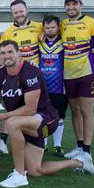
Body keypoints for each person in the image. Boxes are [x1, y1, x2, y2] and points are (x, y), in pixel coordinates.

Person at [0, 41, 94, 188]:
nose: (7, 56)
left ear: (18, 53)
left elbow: (30, 109)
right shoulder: (0, 74)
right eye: (3, 53)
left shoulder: (30, 71)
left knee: (12, 123)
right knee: (36, 170)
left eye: (10, 52)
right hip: (27, 125)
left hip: (46, 119)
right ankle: (81, 162)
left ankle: (19, 175)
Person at [60, 0, 94, 159]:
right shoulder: (62, 24)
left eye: (74, 4)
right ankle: (79, 146)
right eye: (68, 4)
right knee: (75, 110)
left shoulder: (92, 23)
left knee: (87, 111)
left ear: (81, 6)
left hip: (87, 73)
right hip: (68, 74)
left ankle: (87, 150)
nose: (71, 7)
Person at [39, 15, 67, 157]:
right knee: (43, 116)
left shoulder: (64, 42)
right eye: (47, 27)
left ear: (58, 27)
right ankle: (43, 145)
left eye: (52, 27)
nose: (49, 30)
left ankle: (57, 145)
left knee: (60, 117)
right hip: (42, 87)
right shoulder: (38, 42)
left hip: (59, 87)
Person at [1, 0, 43, 64]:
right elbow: (2, 57)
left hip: (39, 71)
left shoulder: (40, 27)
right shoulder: (7, 33)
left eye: (21, 11)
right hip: (18, 72)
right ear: (12, 14)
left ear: (27, 11)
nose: (19, 14)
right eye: (15, 13)